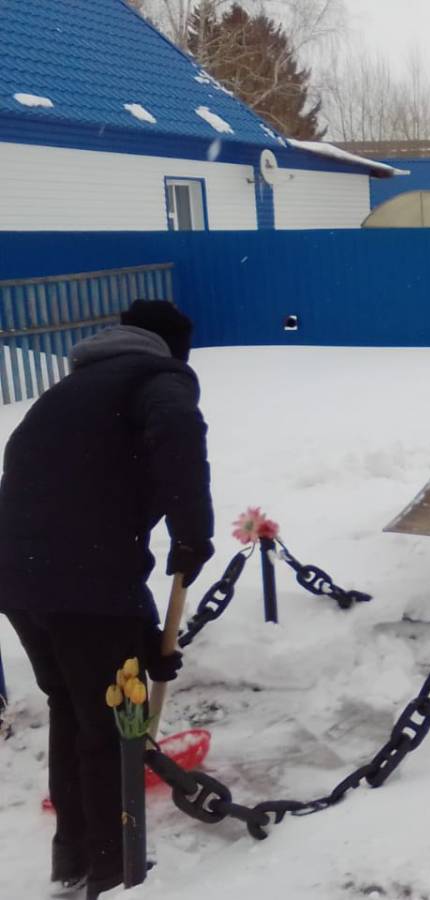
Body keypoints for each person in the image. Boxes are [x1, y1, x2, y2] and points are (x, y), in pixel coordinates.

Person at [0, 300, 214, 899]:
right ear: (174, 347)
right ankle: (113, 868)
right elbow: (179, 433)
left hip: (21, 581)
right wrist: (194, 532)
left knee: (74, 709)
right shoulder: (158, 377)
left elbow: (71, 509)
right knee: (107, 725)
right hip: (79, 579)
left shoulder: (68, 393)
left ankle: (73, 856)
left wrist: (144, 637)